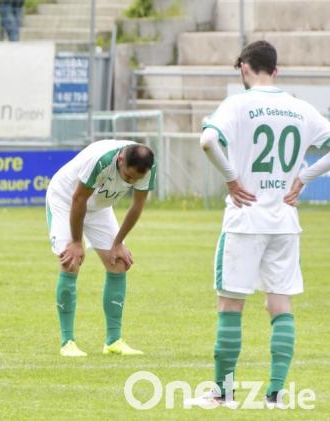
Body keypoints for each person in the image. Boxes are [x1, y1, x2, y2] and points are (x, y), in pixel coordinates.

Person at [188, 40, 330, 408]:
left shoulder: (238, 104)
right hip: (284, 221)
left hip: (245, 219)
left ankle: (223, 392)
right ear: (276, 70)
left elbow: (207, 141)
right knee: (280, 304)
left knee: (230, 305)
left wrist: (232, 178)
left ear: (244, 69)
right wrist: (304, 177)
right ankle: (276, 395)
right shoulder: (301, 109)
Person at [46, 140, 156, 357]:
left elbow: (137, 206)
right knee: (71, 261)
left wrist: (118, 244)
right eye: (128, 176)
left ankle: (113, 341)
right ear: (121, 159)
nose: (131, 182)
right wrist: (77, 242)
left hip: (99, 206)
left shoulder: (148, 167)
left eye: (136, 179)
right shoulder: (100, 161)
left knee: (119, 263)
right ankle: (67, 342)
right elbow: (78, 200)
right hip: (66, 201)